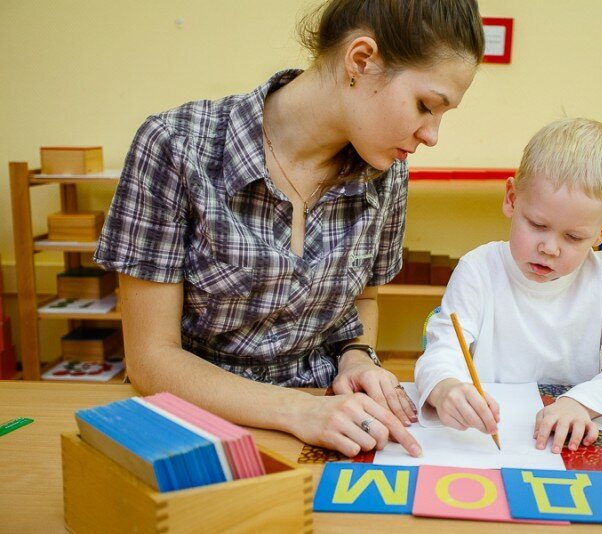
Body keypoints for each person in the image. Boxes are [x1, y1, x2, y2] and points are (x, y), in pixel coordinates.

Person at [94, 0, 484, 458]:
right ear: (361, 60)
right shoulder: (176, 146)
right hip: (198, 424)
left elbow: (362, 298)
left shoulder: (387, 170)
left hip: (327, 421)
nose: (432, 135)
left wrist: (356, 358)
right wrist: (297, 411)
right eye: (425, 106)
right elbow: (151, 360)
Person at [414, 118, 602, 454]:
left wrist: (581, 405)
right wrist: (446, 388)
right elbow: (441, 351)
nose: (550, 248)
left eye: (573, 237)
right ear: (512, 199)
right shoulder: (479, 269)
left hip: (565, 441)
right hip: (484, 440)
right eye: (538, 225)